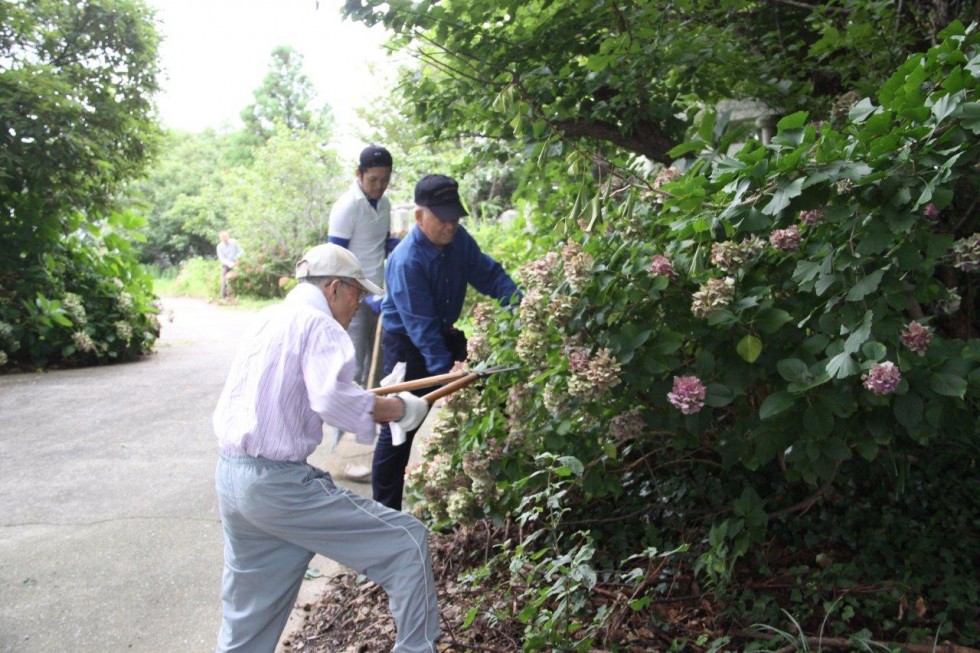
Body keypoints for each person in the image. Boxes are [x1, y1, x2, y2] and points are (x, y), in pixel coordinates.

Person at [212, 243, 440, 653]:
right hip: (277, 488)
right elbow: (332, 400)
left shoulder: (269, 317)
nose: (360, 305)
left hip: (233, 478)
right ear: (334, 288)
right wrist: (398, 409)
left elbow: (312, 391)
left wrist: (373, 401)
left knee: (247, 618)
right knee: (407, 543)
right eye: (357, 293)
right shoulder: (320, 326)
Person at [374, 174, 520, 510]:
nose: (450, 225)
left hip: (444, 335)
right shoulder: (407, 260)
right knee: (400, 427)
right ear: (419, 216)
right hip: (406, 347)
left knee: (497, 392)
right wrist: (449, 378)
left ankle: (505, 483)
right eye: (442, 218)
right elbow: (421, 330)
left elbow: (491, 276)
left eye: (455, 217)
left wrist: (521, 305)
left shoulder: (460, 242)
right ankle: (385, 514)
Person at [327, 144, 399, 388]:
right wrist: (359, 292)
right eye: (373, 179)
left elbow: (380, 244)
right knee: (352, 363)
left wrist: (398, 245)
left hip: (379, 294)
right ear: (359, 174)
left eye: (385, 179)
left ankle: (370, 421)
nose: (379, 185)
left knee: (378, 364)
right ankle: (340, 423)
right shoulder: (347, 206)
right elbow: (335, 258)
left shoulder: (385, 204)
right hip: (351, 295)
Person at [216, 230, 242, 299]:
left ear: (228, 236)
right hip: (226, 263)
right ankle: (223, 295)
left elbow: (241, 251)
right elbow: (221, 258)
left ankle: (239, 293)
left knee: (241, 274)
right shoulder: (219, 246)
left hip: (237, 261)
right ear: (220, 238)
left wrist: (237, 259)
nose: (225, 238)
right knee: (224, 277)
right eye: (223, 237)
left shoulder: (234, 242)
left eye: (226, 236)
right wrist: (230, 264)